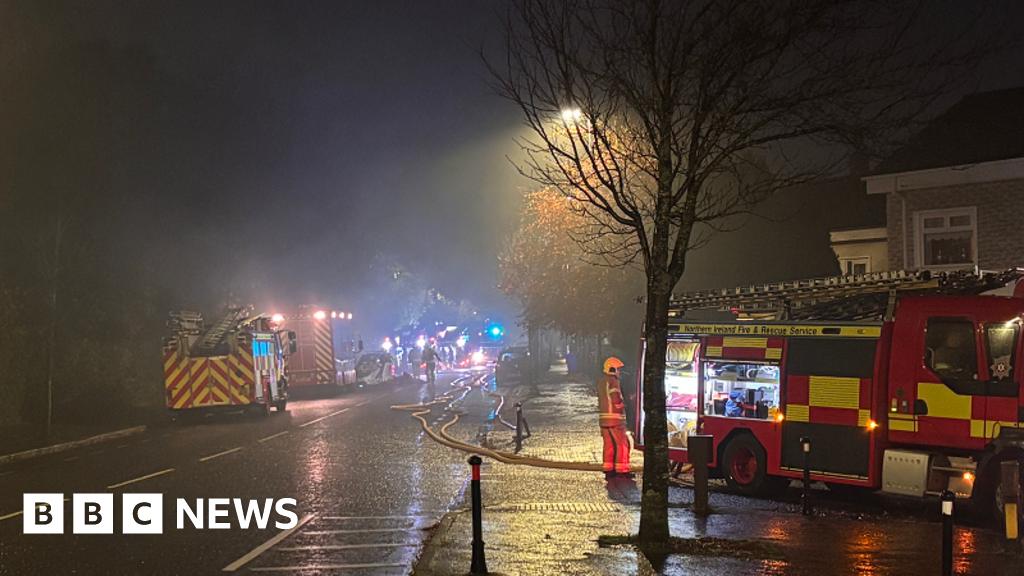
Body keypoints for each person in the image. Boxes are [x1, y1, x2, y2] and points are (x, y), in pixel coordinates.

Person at [598, 357, 631, 479]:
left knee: (608, 445)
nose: (619, 372)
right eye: (618, 369)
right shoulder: (614, 381)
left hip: (604, 419)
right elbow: (615, 398)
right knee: (622, 444)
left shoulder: (602, 381)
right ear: (613, 369)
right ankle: (622, 470)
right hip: (615, 418)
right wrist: (623, 405)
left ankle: (608, 468)